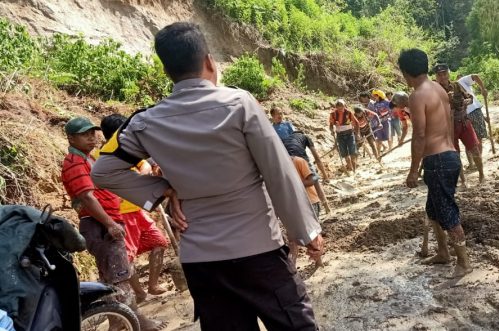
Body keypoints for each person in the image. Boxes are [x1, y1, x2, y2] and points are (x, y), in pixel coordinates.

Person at [91, 22, 323, 331]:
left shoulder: (145, 122)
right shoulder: (240, 104)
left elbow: (103, 170)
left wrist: (162, 191)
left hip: (202, 262)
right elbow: (278, 171)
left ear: (166, 71)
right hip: (259, 250)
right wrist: (305, 231)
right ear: (209, 61)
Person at [61, 117, 166, 331]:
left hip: (103, 222)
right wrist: (109, 224)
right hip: (99, 224)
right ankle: (138, 323)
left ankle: (118, 322)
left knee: (114, 277)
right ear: (71, 138)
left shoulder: (88, 159)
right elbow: (87, 197)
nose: (92, 137)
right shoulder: (74, 162)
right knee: (120, 278)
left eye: (93, 133)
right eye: (85, 134)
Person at [398, 49, 472, 278]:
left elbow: (419, 136)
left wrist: (412, 171)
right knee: (433, 209)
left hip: (438, 160)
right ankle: (442, 252)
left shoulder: (417, 95)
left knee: (447, 212)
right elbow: (447, 122)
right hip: (448, 155)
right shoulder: (439, 89)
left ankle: (464, 262)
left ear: (405, 73)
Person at [99, 114, 170, 302]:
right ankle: (139, 293)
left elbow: (145, 164)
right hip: (121, 214)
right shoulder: (102, 156)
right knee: (127, 257)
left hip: (138, 209)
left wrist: (142, 178)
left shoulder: (127, 151)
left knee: (159, 242)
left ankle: (152, 285)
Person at [433, 63, 485, 183]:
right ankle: (463, 181)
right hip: (448, 127)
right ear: (436, 76)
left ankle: (481, 175)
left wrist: (466, 102)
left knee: (475, 149)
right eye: (439, 75)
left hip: (464, 122)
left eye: (444, 73)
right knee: (455, 155)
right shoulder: (435, 91)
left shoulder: (456, 86)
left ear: (448, 73)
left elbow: (469, 98)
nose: (442, 77)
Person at [281, 131, 332, 213]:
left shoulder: (286, 139)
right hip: (301, 157)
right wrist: (325, 176)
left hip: (287, 159)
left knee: (295, 180)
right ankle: (326, 207)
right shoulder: (305, 137)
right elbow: (317, 158)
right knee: (314, 179)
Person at [287, 156, 322, 266]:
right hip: (293, 204)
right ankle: (293, 263)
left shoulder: (298, 161)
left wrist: (294, 184)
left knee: (313, 234)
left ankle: (318, 262)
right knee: (291, 237)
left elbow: (311, 180)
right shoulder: (276, 166)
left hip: (309, 202)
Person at [328, 99, 360, 173]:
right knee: (344, 152)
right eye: (338, 106)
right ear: (336, 106)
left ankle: (354, 169)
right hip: (340, 135)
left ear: (344, 105)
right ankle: (349, 167)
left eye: (341, 106)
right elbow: (331, 125)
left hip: (349, 134)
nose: (340, 108)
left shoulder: (348, 112)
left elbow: (356, 123)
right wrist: (331, 130)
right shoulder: (333, 114)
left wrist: (357, 133)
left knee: (352, 151)